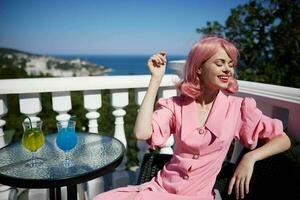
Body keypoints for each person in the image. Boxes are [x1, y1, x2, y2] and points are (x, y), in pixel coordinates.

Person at [94, 36, 291, 200]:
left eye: (230, 65)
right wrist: (155, 79)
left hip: (197, 196)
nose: (227, 70)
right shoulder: (175, 105)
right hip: (160, 189)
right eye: (219, 63)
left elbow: (283, 140)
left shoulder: (238, 109)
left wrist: (250, 157)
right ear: (199, 68)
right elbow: (141, 133)